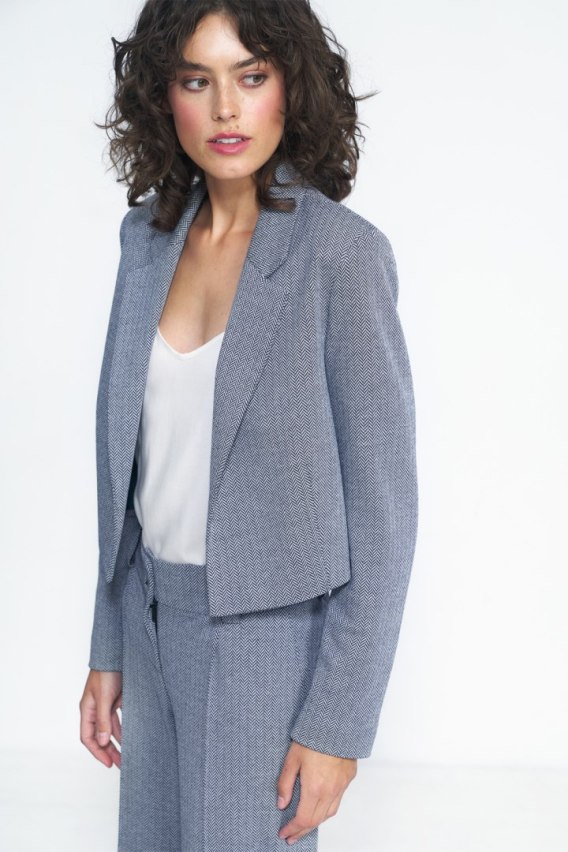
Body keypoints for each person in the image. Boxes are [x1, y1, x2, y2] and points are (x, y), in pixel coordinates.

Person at [78, 1, 419, 849]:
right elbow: (126, 469)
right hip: (150, 624)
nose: (226, 108)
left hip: (270, 649)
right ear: (164, 96)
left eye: (251, 76)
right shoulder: (145, 240)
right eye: (197, 80)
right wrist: (109, 644)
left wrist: (337, 724)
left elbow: (384, 516)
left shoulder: (341, 256)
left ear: (290, 87)